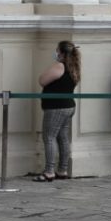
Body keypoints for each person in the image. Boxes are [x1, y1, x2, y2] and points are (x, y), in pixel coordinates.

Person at [34, 41, 81, 182]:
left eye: (56, 50)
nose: (55, 53)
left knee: (49, 137)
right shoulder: (73, 66)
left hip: (56, 107)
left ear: (61, 52)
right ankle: (62, 169)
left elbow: (42, 80)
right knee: (63, 137)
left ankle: (49, 171)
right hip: (68, 106)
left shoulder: (60, 66)